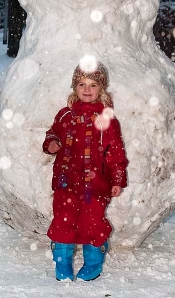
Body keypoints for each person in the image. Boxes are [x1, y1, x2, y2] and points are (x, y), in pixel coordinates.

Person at [42, 61, 128, 282]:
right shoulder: (65, 115)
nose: (87, 89)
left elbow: (115, 152)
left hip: (95, 183)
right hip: (66, 182)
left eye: (93, 84)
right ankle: (62, 262)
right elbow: (52, 133)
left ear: (101, 89)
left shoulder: (107, 120)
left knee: (93, 221)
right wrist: (51, 143)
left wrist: (117, 178)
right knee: (63, 219)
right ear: (74, 87)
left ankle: (93, 262)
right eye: (81, 84)